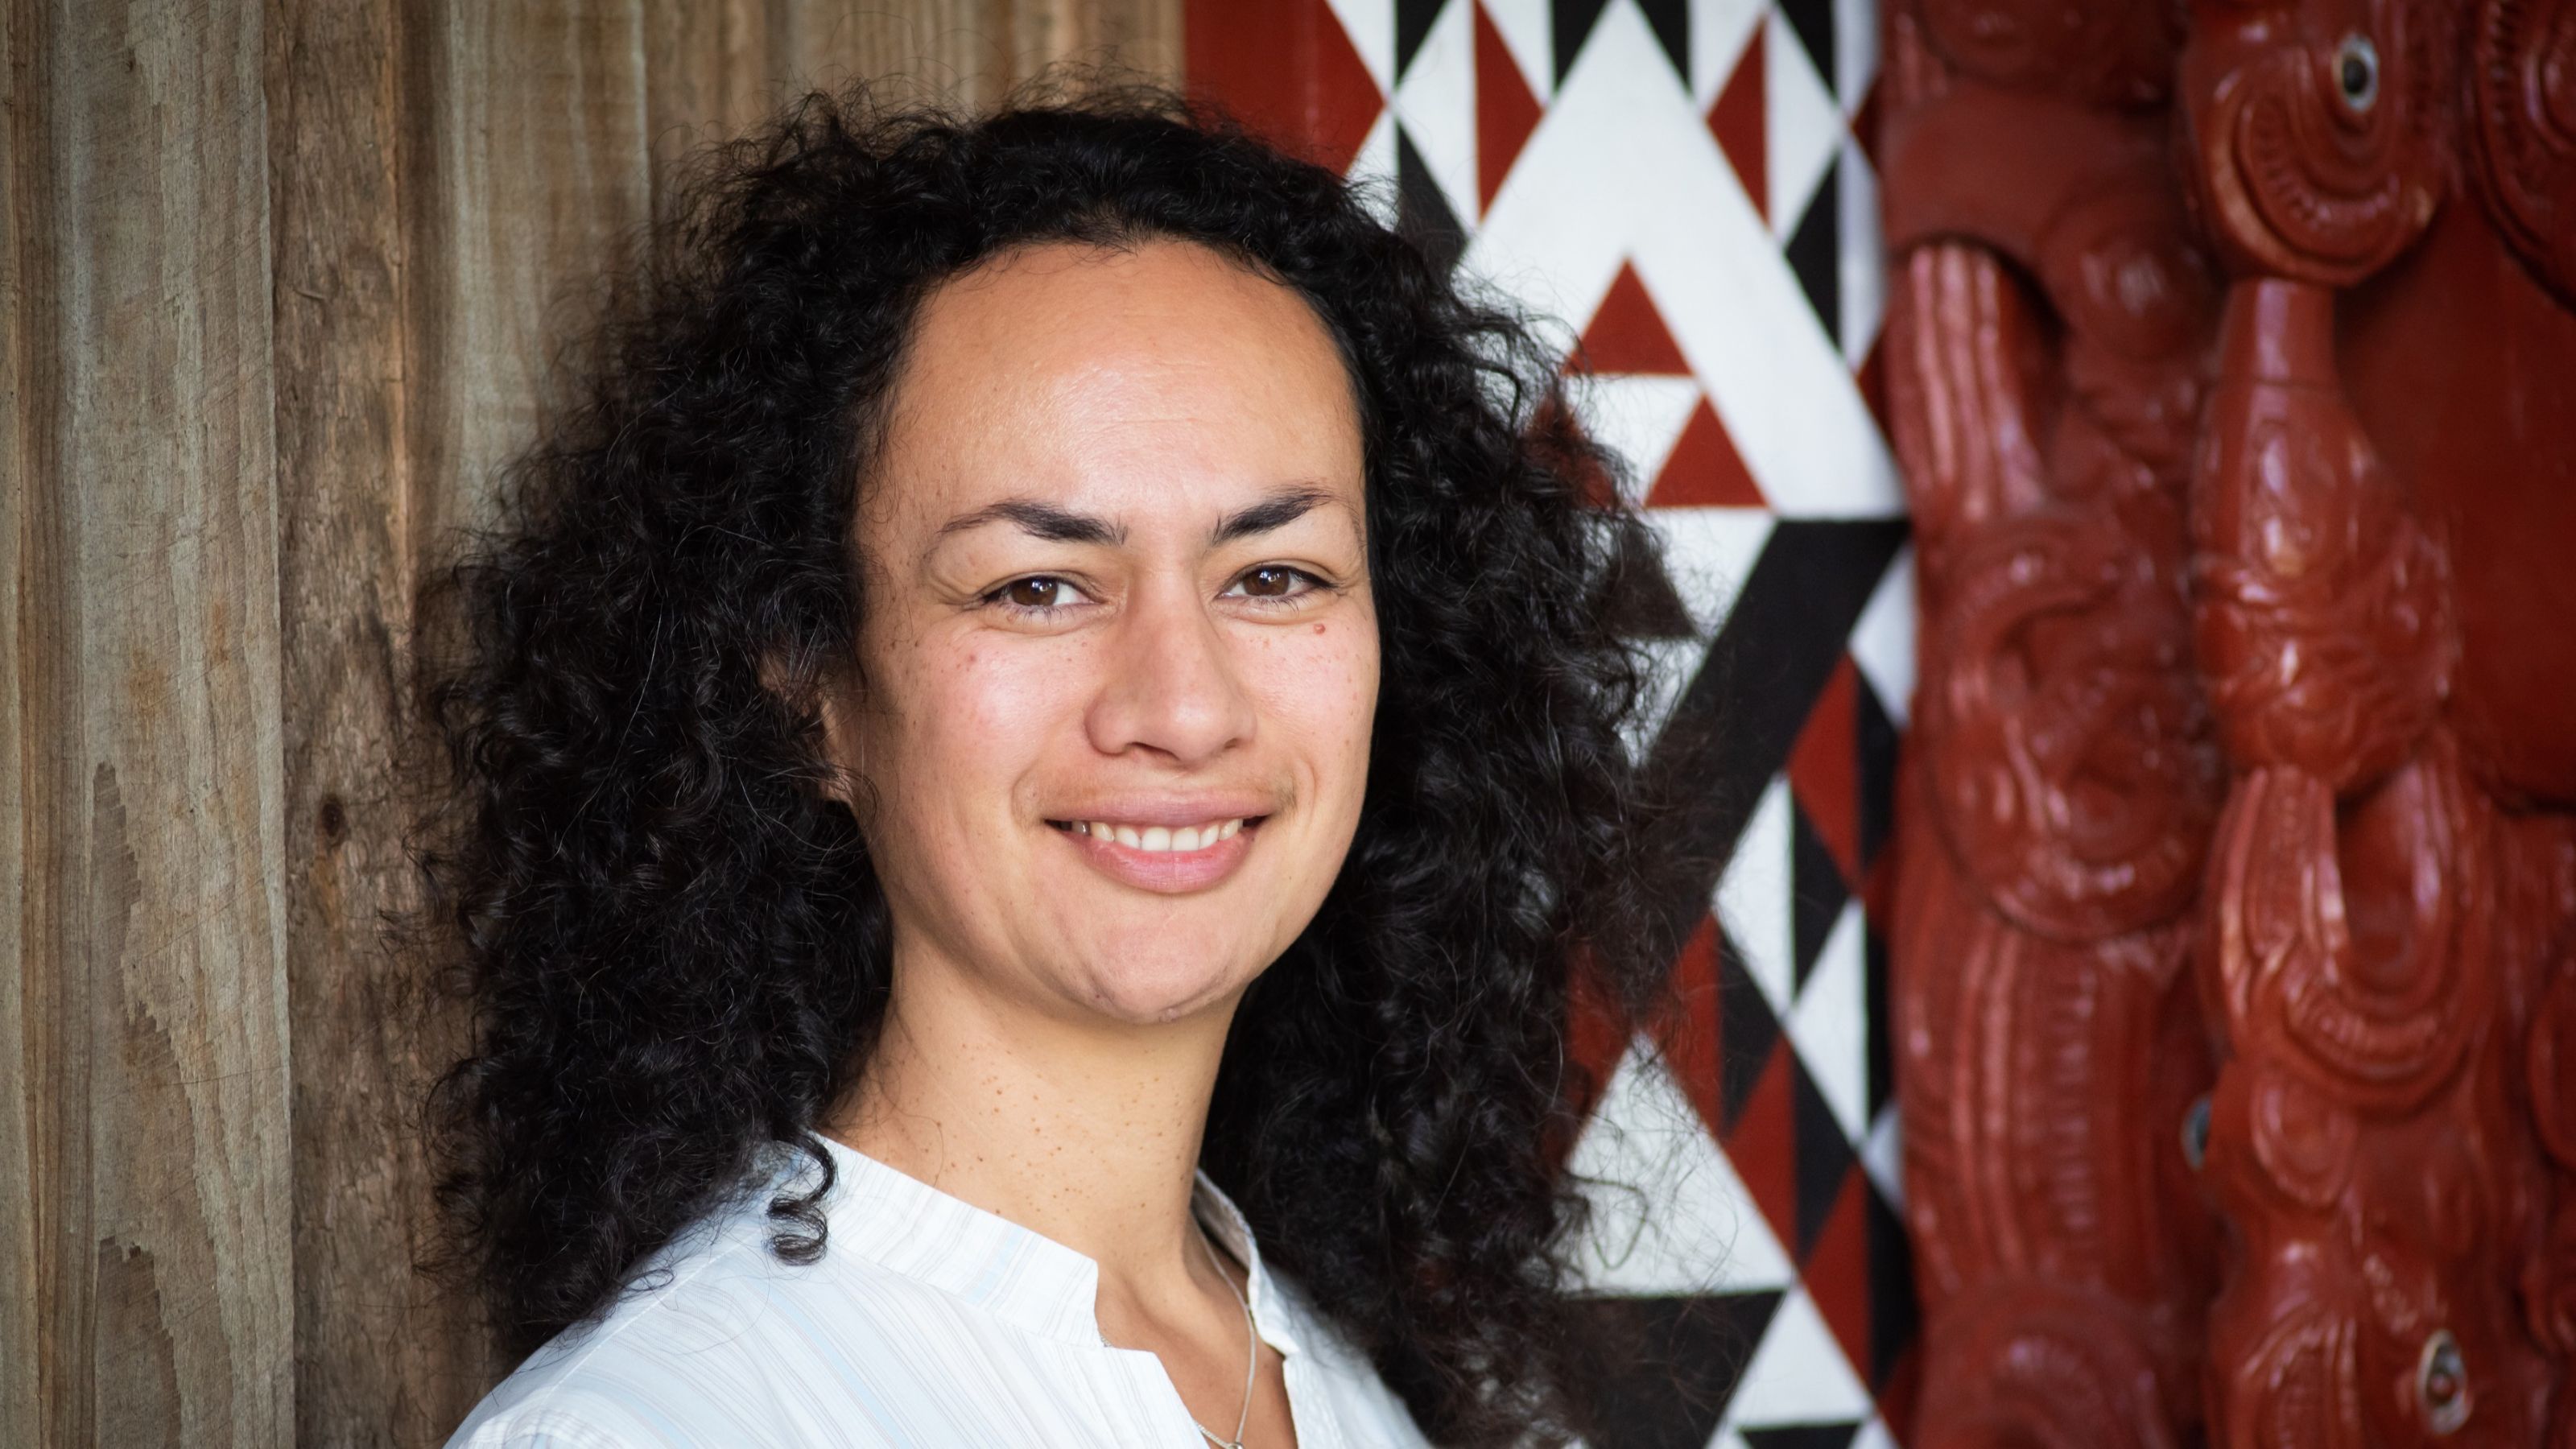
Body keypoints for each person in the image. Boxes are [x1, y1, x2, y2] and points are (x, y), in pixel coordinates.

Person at [424, 82, 1674, 1449]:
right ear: (811, 690)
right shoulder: (665, 1425)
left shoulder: (1345, 1390)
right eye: (1036, 587)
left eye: (1273, 573)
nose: (1184, 709)